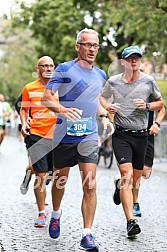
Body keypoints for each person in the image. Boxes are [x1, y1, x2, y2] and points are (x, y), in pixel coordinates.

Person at [42, 28, 114, 251]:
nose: (92, 49)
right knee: (60, 181)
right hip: (64, 135)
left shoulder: (101, 74)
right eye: (87, 45)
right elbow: (46, 98)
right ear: (78, 46)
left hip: (89, 136)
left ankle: (87, 234)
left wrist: (103, 117)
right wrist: (62, 109)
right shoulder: (64, 69)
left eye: (95, 45)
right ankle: (55, 213)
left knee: (90, 184)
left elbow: (95, 102)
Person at [99, 45, 164, 239]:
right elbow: (102, 98)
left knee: (136, 178)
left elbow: (160, 103)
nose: (134, 61)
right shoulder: (114, 82)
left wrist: (147, 105)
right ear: (124, 62)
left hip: (141, 135)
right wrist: (109, 106)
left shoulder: (148, 81)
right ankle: (130, 222)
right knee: (127, 175)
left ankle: (120, 186)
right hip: (121, 135)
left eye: (137, 58)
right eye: (130, 58)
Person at [20, 56, 57, 227]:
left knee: (51, 174)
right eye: (45, 66)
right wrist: (23, 123)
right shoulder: (29, 88)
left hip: (57, 137)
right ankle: (42, 213)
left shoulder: (60, 89)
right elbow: (24, 110)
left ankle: (30, 172)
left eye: (51, 66)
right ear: (38, 69)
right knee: (41, 176)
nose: (49, 69)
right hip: (36, 134)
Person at [132, 63, 166, 217]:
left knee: (145, 173)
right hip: (130, 135)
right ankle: (135, 202)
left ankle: (120, 183)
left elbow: (162, 109)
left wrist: (156, 124)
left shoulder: (152, 92)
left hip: (147, 136)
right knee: (134, 171)